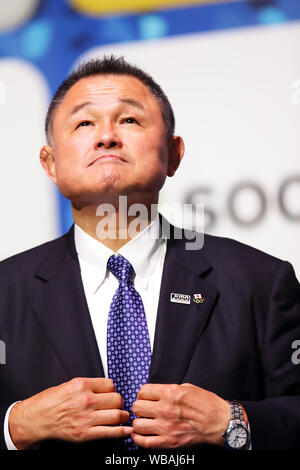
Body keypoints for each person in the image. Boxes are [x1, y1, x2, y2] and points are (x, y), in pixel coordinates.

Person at [0, 55, 300, 452]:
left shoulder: (258, 280)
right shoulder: (5, 292)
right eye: (84, 123)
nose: (107, 137)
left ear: (173, 153)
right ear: (50, 163)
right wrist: (16, 424)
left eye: (129, 120)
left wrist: (231, 421)